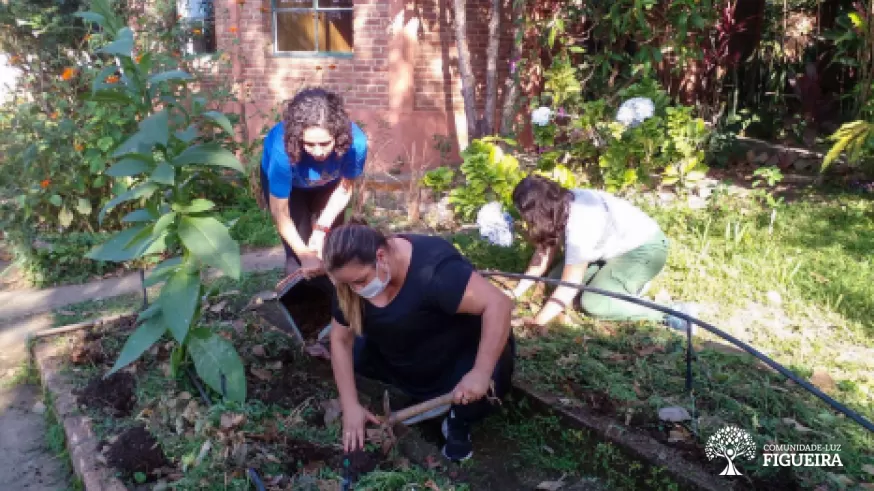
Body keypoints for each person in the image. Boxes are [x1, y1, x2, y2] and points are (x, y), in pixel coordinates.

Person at [322, 222, 515, 462]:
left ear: (380, 256)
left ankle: (457, 420)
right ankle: (411, 393)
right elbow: (340, 339)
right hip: (405, 349)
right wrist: (349, 404)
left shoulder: (435, 271)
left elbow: (499, 304)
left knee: (487, 382)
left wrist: (481, 372)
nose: (356, 289)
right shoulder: (351, 279)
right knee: (358, 358)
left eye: (360, 281)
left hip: (455, 355)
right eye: (348, 284)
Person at [509, 174, 697, 333]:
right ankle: (619, 285)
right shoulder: (560, 205)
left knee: (593, 303)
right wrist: (514, 293)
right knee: (554, 280)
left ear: (539, 214)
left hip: (644, 250)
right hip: (612, 250)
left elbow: (569, 285)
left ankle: (673, 314)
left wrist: (537, 322)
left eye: (526, 218)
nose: (525, 222)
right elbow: (544, 253)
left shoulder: (581, 225)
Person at [260, 87, 367, 276]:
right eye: (309, 144)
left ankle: (338, 301)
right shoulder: (281, 149)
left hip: (330, 186)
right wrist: (304, 254)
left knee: (331, 249)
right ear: (297, 137)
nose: (318, 152)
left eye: (325, 143)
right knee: (298, 257)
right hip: (291, 190)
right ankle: (299, 301)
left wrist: (320, 230)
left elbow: (344, 188)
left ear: (338, 135)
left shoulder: (355, 144)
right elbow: (281, 212)